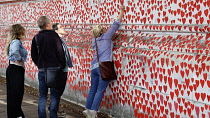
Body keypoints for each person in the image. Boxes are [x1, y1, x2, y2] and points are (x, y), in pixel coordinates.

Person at [83, 5, 125, 118]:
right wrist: (121, 11)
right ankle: (93, 111)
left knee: (93, 89)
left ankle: (87, 109)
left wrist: (111, 40)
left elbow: (103, 44)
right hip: (104, 67)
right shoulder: (107, 36)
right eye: (103, 28)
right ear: (102, 31)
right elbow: (116, 24)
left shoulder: (94, 41)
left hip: (94, 67)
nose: (106, 29)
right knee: (100, 90)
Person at [31, 16, 66, 118]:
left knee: (42, 95)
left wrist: (39, 64)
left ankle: (42, 116)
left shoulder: (36, 37)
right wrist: (62, 66)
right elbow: (60, 53)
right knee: (54, 95)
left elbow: (33, 55)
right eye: (50, 23)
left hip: (42, 69)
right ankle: (53, 115)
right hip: (55, 69)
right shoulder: (54, 37)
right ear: (47, 24)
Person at [5, 24, 28, 118]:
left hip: (13, 69)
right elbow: (15, 51)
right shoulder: (16, 42)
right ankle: (17, 114)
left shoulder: (13, 42)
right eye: (23, 31)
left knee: (12, 94)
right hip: (16, 69)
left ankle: (13, 114)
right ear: (19, 32)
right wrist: (19, 59)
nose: (24, 34)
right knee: (17, 94)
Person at [52, 23, 73, 117]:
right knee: (57, 92)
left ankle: (54, 109)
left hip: (64, 69)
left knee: (59, 91)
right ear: (56, 31)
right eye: (61, 27)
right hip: (59, 70)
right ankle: (54, 111)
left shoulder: (61, 40)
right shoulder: (56, 41)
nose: (63, 28)